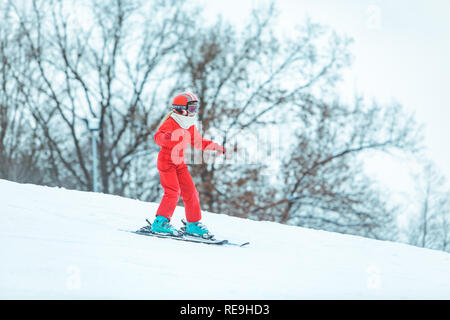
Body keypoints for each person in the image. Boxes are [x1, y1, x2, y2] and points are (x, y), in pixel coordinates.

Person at [149, 92, 225, 238]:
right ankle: (160, 222)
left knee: (191, 193)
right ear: (180, 108)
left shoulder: (189, 124)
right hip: (166, 162)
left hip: (180, 163)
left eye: (195, 108)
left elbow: (198, 142)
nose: (194, 112)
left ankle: (193, 224)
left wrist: (213, 146)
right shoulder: (171, 122)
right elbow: (158, 137)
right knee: (173, 191)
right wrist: (166, 137)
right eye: (191, 109)